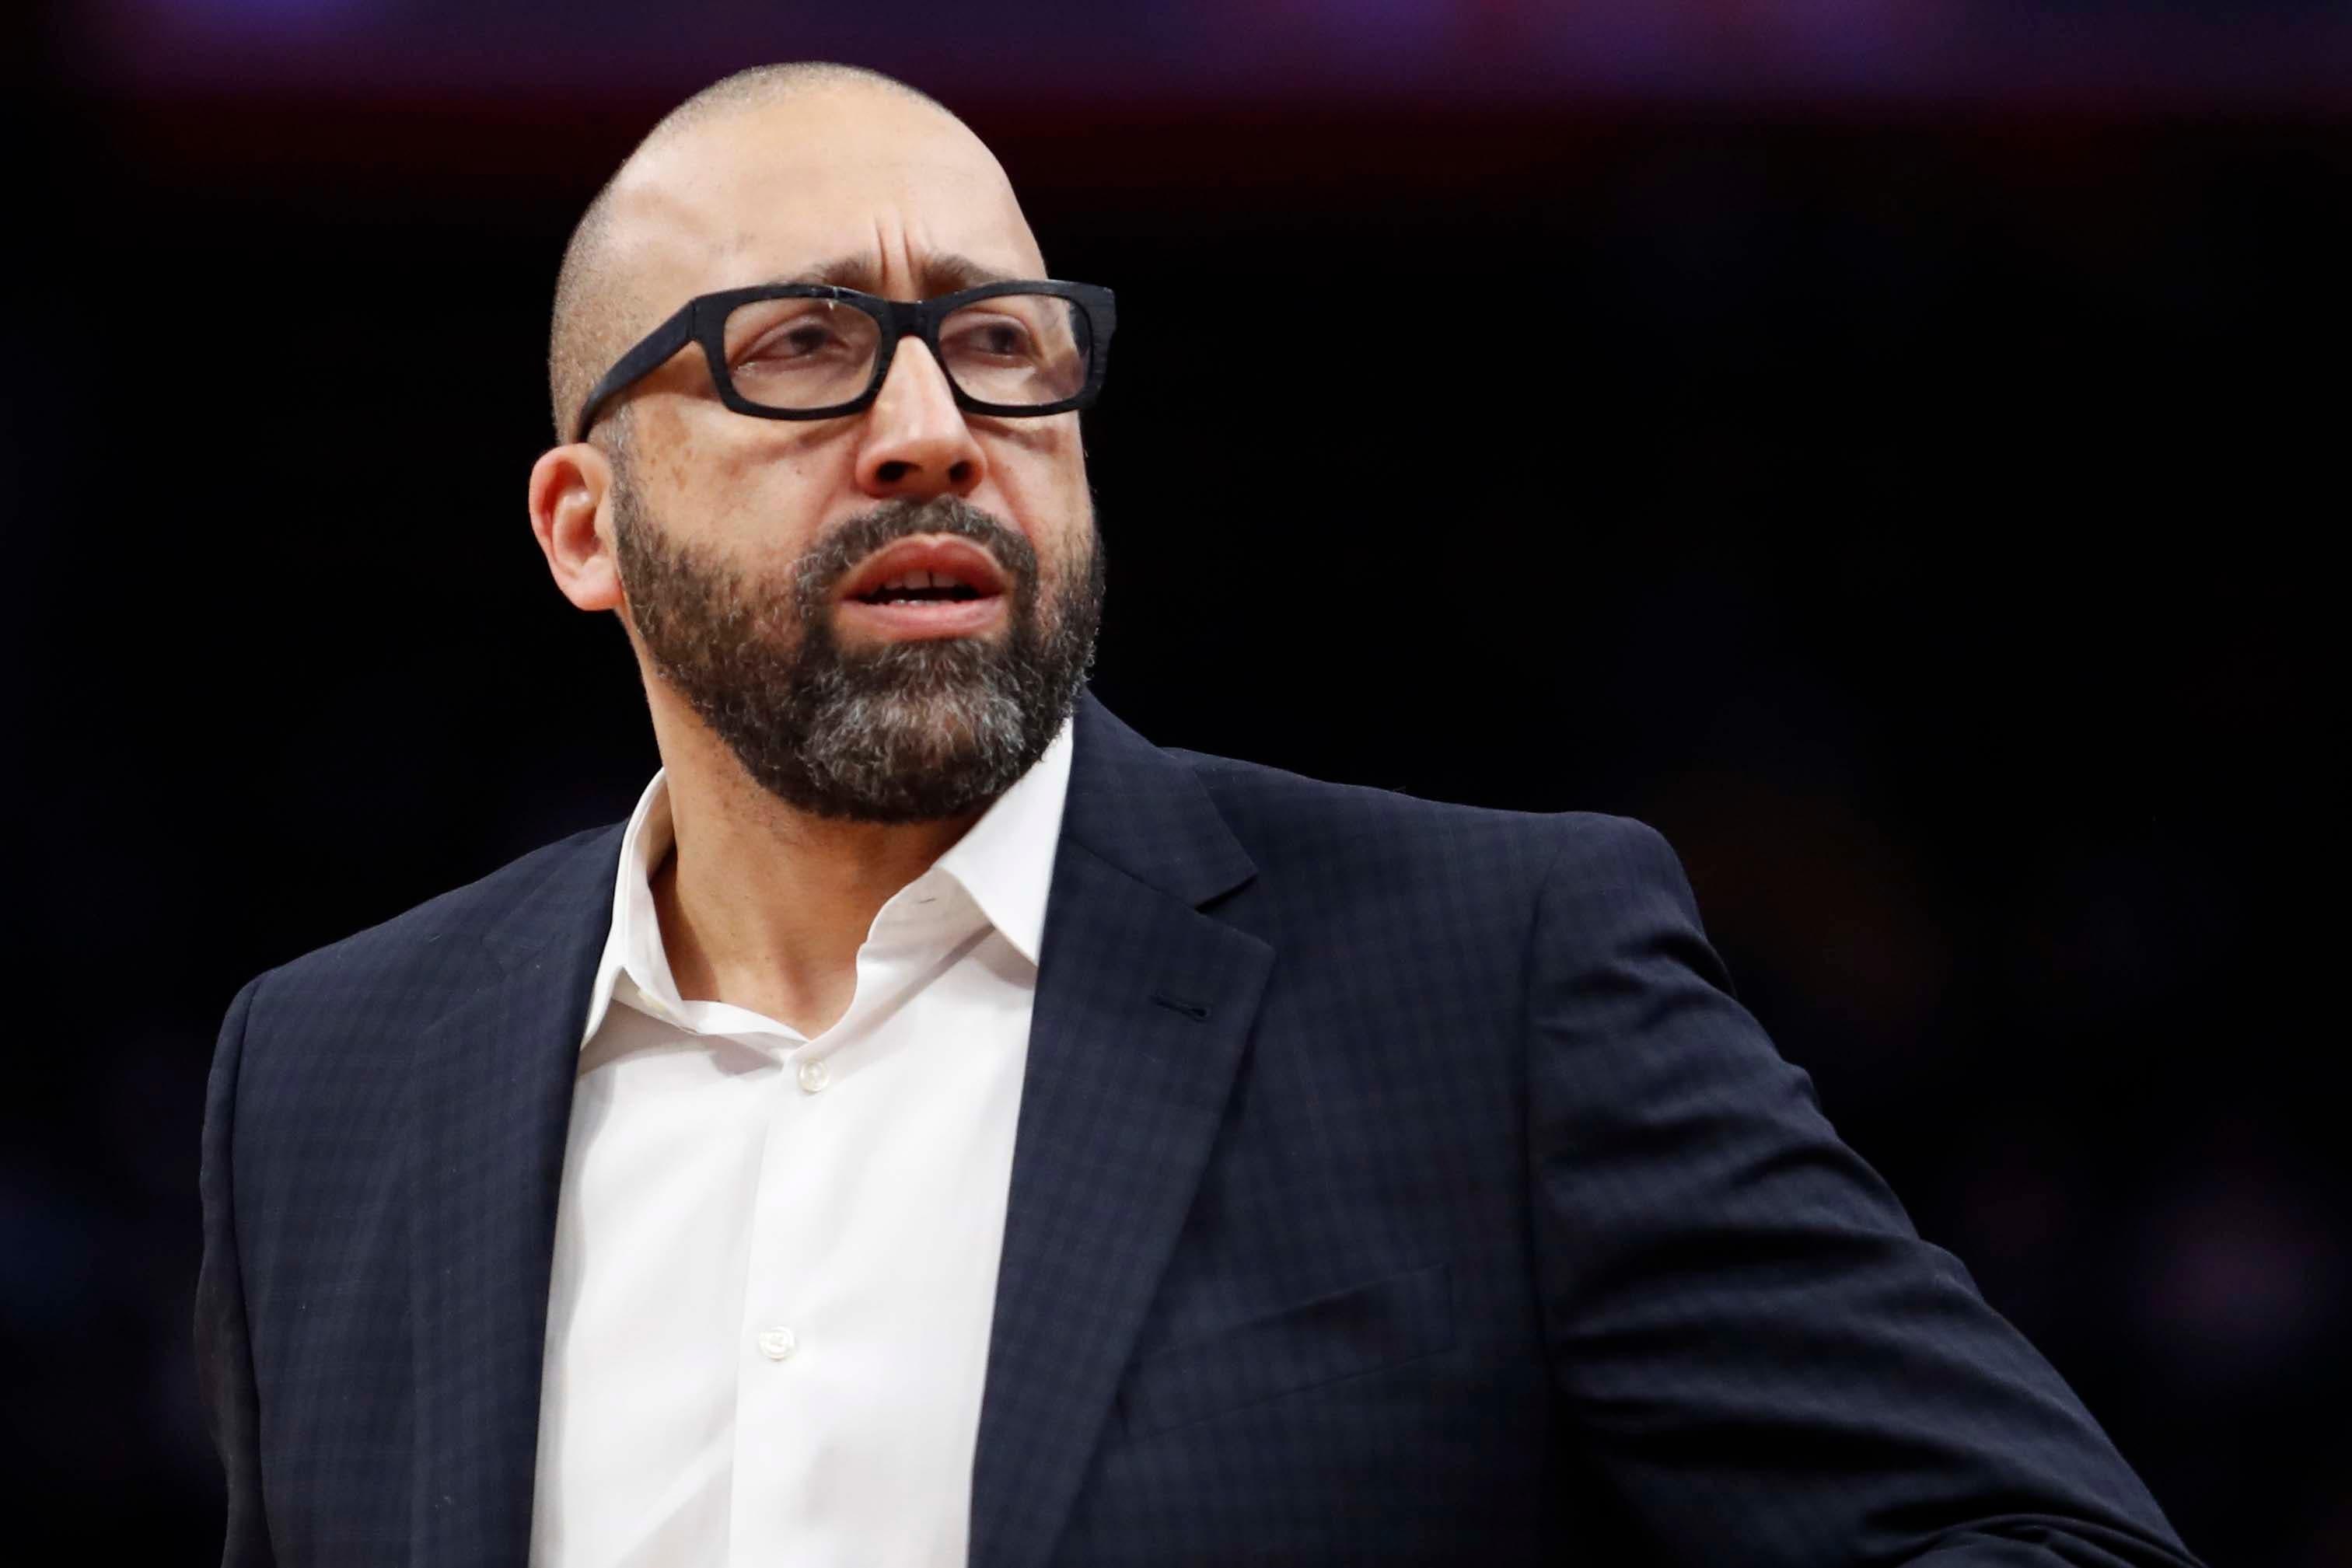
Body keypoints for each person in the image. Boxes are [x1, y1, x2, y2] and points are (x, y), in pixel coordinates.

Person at [195, 61, 2203, 1568]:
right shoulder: (326, 1076)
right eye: (801, 351)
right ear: (584, 527)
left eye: (998, 342)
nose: (929, 428)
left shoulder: (1487, 978)